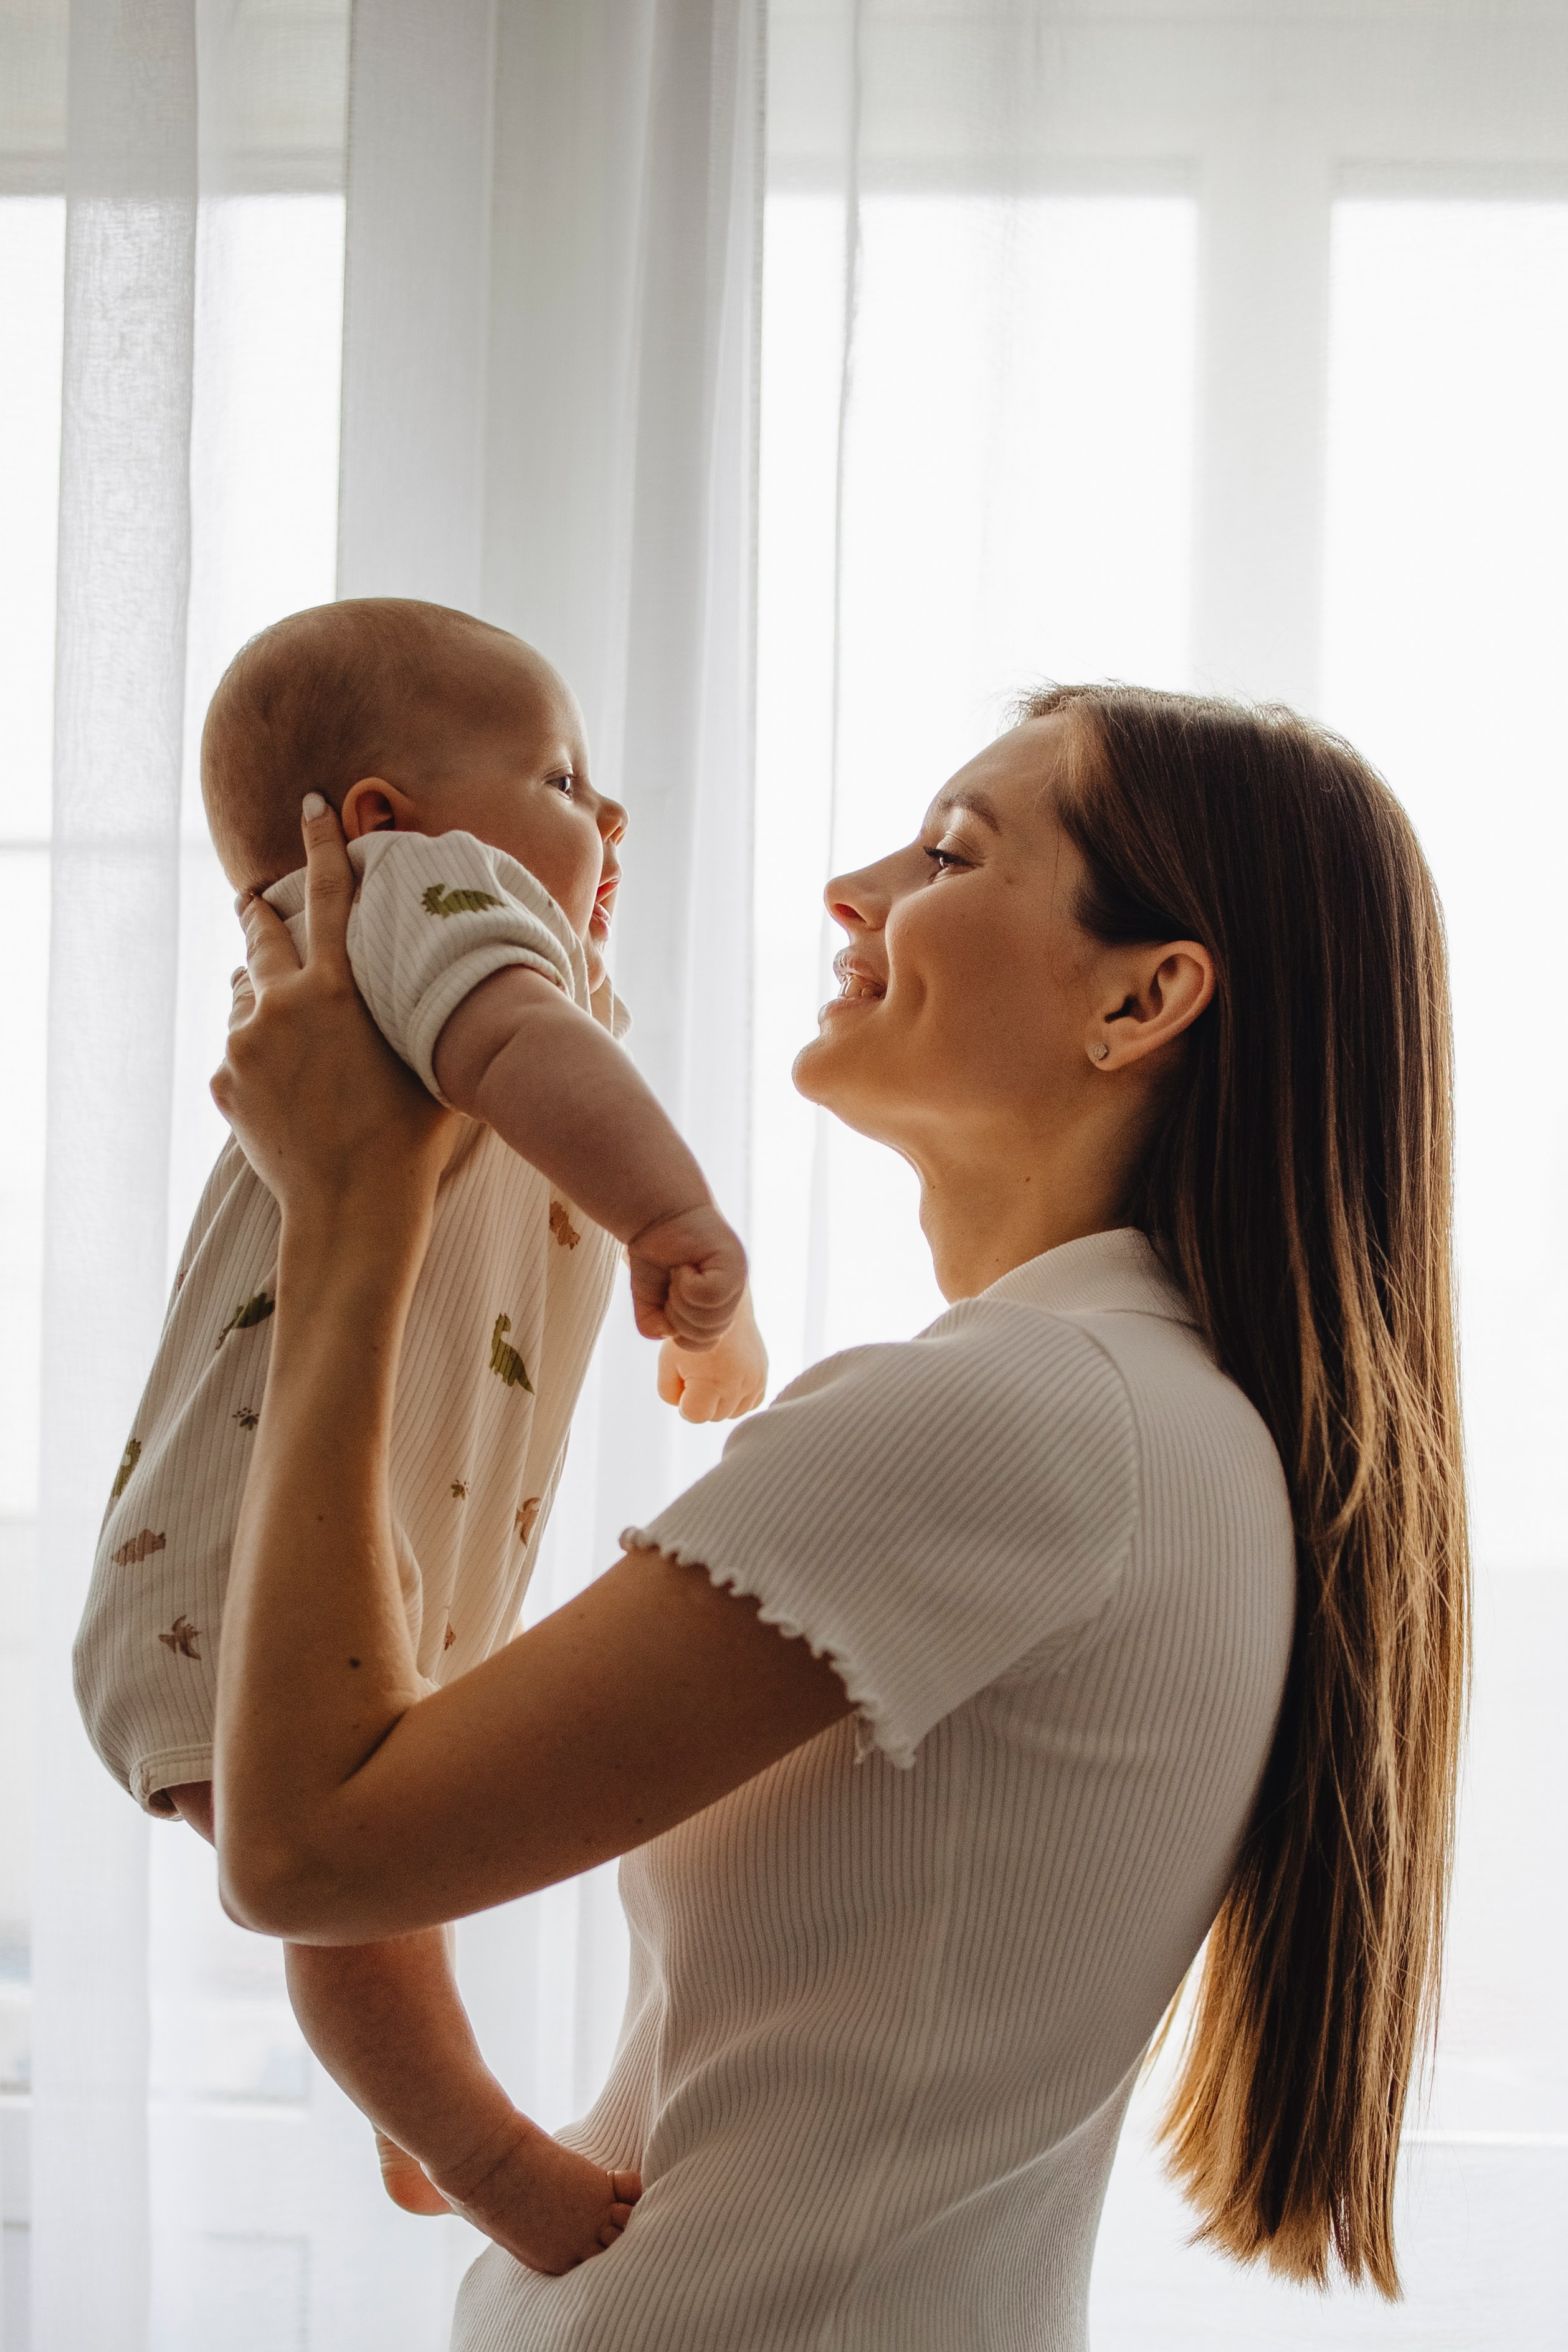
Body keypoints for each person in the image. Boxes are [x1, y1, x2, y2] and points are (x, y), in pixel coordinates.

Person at [207, 685, 1469, 2348]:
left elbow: (307, 1849)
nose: (852, 889)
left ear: (1147, 997)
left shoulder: (1012, 1419)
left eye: (950, 852)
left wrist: (352, 1208)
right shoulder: (1167, 1427)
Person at [74, 598, 767, 2271]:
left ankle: (415, 2112)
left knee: (388, 1874)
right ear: (381, 816)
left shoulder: (402, 949)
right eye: (559, 772)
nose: (606, 820)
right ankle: (478, 2149)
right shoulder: (402, 901)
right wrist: (677, 1223)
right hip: (257, 1563)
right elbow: (528, 1047)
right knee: (361, 1885)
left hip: (347, 1551)